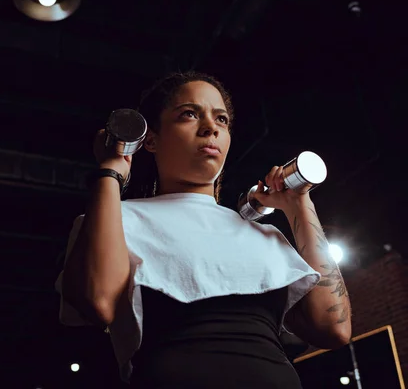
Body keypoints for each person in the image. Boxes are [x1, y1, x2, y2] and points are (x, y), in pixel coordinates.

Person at [55, 71, 352, 388]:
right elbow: (99, 302)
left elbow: (334, 329)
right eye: (189, 114)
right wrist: (110, 173)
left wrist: (298, 203)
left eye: (221, 120)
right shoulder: (116, 219)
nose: (211, 127)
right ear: (150, 139)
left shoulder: (263, 236)